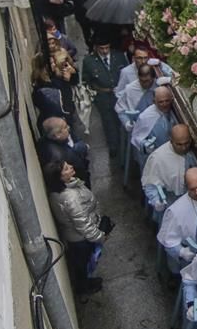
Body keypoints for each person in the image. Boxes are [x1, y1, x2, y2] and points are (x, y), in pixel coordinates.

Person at [43, 159, 114, 295]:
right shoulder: (71, 198)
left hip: (76, 236)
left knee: (81, 264)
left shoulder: (65, 189)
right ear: (60, 177)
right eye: (66, 168)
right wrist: (101, 236)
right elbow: (83, 224)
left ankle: (85, 284)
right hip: (80, 239)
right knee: (82, 264)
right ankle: (84, 288)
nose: (70, 166)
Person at [157, 168, 197, 274]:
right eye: (192, 189)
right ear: (186, 188)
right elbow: (168, 240)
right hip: (191, 259)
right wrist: (182, 252)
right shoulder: (176, 211)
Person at [81, 34, 127, 159]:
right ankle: (113, 146)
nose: (105, 51)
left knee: (122, 120)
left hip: (120, 94)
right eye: (101, 48)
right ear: (96, 48)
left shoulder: (119, 56)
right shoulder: (89, 61)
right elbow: (86, 80)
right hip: (103, 96)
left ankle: (125, 145)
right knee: (108, 121)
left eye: (107, 48)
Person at [141, 124, 197, 214]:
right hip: (171, 201)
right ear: (171, 141)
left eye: (186, 143)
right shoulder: (157, 158)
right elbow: (150, 185)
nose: (184, 148)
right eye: (179, 144)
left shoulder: (192, 153)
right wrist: (156, 201)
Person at [37, 117, 91, 188]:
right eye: (65, 127)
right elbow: (79, 165)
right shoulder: (60, 156)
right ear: (57, 135)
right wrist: (83, 147)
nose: (68, 128)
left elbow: (77, 139)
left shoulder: (55, 138)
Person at [130, 85, 177, 168]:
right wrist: (145, 145)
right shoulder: (145, 116)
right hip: (154, 156)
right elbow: (136, 137)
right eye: (161, 102)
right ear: (154, 101)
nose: (164, 104)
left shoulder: (173, 112)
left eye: (167, 101)